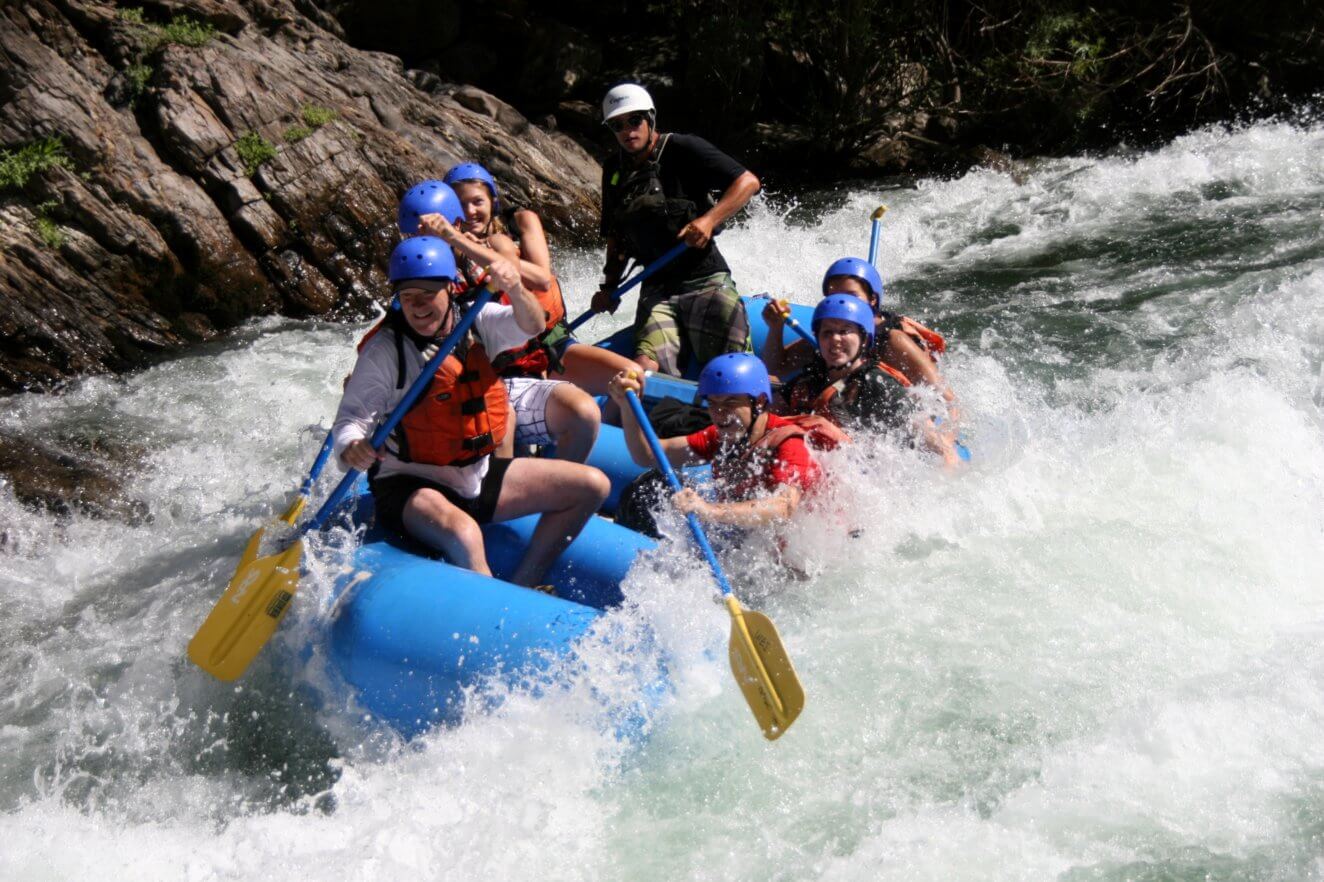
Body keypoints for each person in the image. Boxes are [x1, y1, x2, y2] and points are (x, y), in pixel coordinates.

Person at [333, 236, 610, 588]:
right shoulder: (387, 351)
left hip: (476, 473)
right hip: (410, 482)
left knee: (592, 486)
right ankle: (495, 609)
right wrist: (352, 446)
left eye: (427, 294)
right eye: (407, 297)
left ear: (450, 289)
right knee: (464, 534)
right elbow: (350, 421)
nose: (417, 306)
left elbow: (532, 325)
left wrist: (513, 285)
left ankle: (527, 580)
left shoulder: (478, 321)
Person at [401, 176, 601, 461]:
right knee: (500, 419)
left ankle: (537, 487)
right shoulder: (407, 285)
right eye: (416, 236)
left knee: (574, 412)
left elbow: (531, 302)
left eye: (433, 233)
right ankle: (499, 491)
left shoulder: (483, 253)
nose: (423, 244)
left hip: (502, 373)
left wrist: (454, 239)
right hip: (449, 392)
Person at [591, 82, 761, 378]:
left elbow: (748, 182)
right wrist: (609, 286)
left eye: (634, 120)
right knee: (644, 371)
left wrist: (709, 220)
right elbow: (616, 234)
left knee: (732, 371)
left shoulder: (683, 148)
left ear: (650, 118)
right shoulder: (614, 172)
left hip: (705, 277)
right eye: (618, 125)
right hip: (657, 287)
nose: (627, 130)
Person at [438, 163, 637, 411]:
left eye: (477, 201)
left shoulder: (514, 227)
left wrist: (476, 249)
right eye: (460, 205)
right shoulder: (447, 252)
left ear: (492, 201)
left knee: (632, 375)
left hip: (551, 349)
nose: (470, 211)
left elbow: (541, 279)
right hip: (504, 367)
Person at [607, 353, 819, 531]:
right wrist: (626, 406)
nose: (719, 414)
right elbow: (647, 456)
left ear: (760, 402)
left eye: (730, 403)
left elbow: (785, 507)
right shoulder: (721, 436)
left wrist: (710, 511)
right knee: (650, 486)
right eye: (713, 403)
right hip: (748, 533)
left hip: (800, 544)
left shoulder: (789, 442)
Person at [761, 257, 958, 422]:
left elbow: (945, 397)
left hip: (887, 407)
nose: (844, 303)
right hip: (838, 402)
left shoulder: (892, 341)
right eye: (834, 296)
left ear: (872, 299)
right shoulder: (831, 334)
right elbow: (776, 369)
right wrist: (775, 328)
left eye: (852, 296)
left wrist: (950, 436)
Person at [780, 295, 962, 468]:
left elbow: (943, 451)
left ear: (864, 339)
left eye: (844, 331)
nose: (835, 338)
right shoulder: (810, 380)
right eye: (827, 333)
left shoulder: (878, 383)